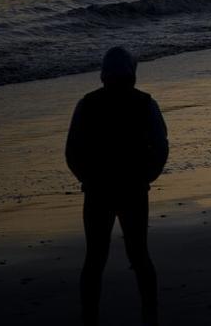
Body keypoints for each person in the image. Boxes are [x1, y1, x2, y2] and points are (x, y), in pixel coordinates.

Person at [66, 46, 169, 326]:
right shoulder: (145, 103)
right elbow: (160, 147)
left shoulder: (86, 104)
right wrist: (147, 177)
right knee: (139, 255)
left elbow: (72, 150)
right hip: (133, 189)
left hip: (98, 190)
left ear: (103, 75)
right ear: (132, 74)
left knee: (95, 258)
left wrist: (86, 179)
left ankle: (90, 315)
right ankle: (150, 312)